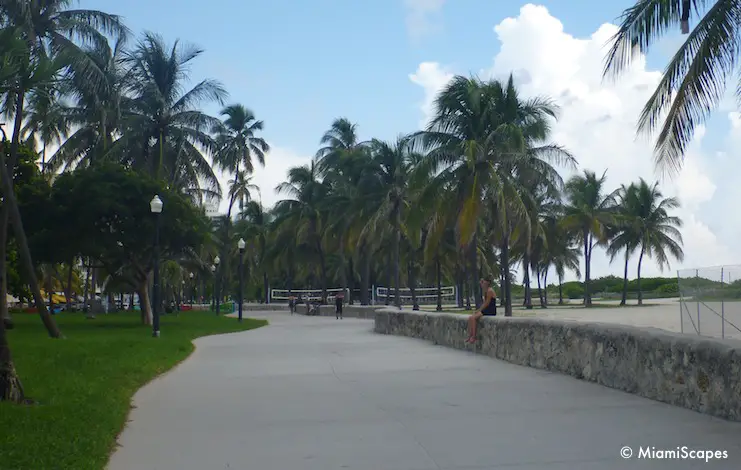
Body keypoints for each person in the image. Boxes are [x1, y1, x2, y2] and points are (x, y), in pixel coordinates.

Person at [466, 278, 497, 343]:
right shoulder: (486, 291)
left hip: (490, 310)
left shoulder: (489, 291)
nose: (481, 284)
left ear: (487, 283)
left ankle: (474, 337)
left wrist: (479, 310)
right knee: (470, 318)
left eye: (483, 282)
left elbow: (487, 303)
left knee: (473, 318)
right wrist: (478, 310)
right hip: (487, 309)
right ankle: (470, 335)